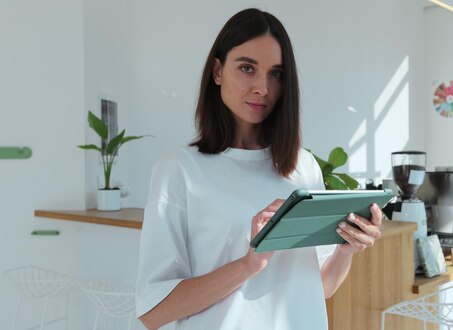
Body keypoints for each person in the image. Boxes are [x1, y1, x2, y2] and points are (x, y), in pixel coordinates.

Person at [135, 8, 383, 330]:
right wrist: (250, 264)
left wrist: (346, 250)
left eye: (276, 74)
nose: (263, 88)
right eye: (247, 68)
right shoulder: (180, 171)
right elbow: (153, 312)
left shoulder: (303, 166)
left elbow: (320, 287)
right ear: (218, 71)